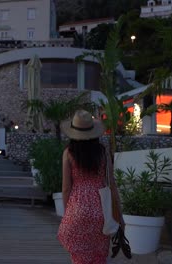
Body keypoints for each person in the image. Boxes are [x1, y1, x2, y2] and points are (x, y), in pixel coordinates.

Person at [57, 110, 124, 264]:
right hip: (101, 211)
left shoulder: (68, 153)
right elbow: (111, 184)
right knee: (98, 257)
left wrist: (69, 212)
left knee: (79, 257)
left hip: (77, 210)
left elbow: (66, 187)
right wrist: (119, 216)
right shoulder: (102, 152)